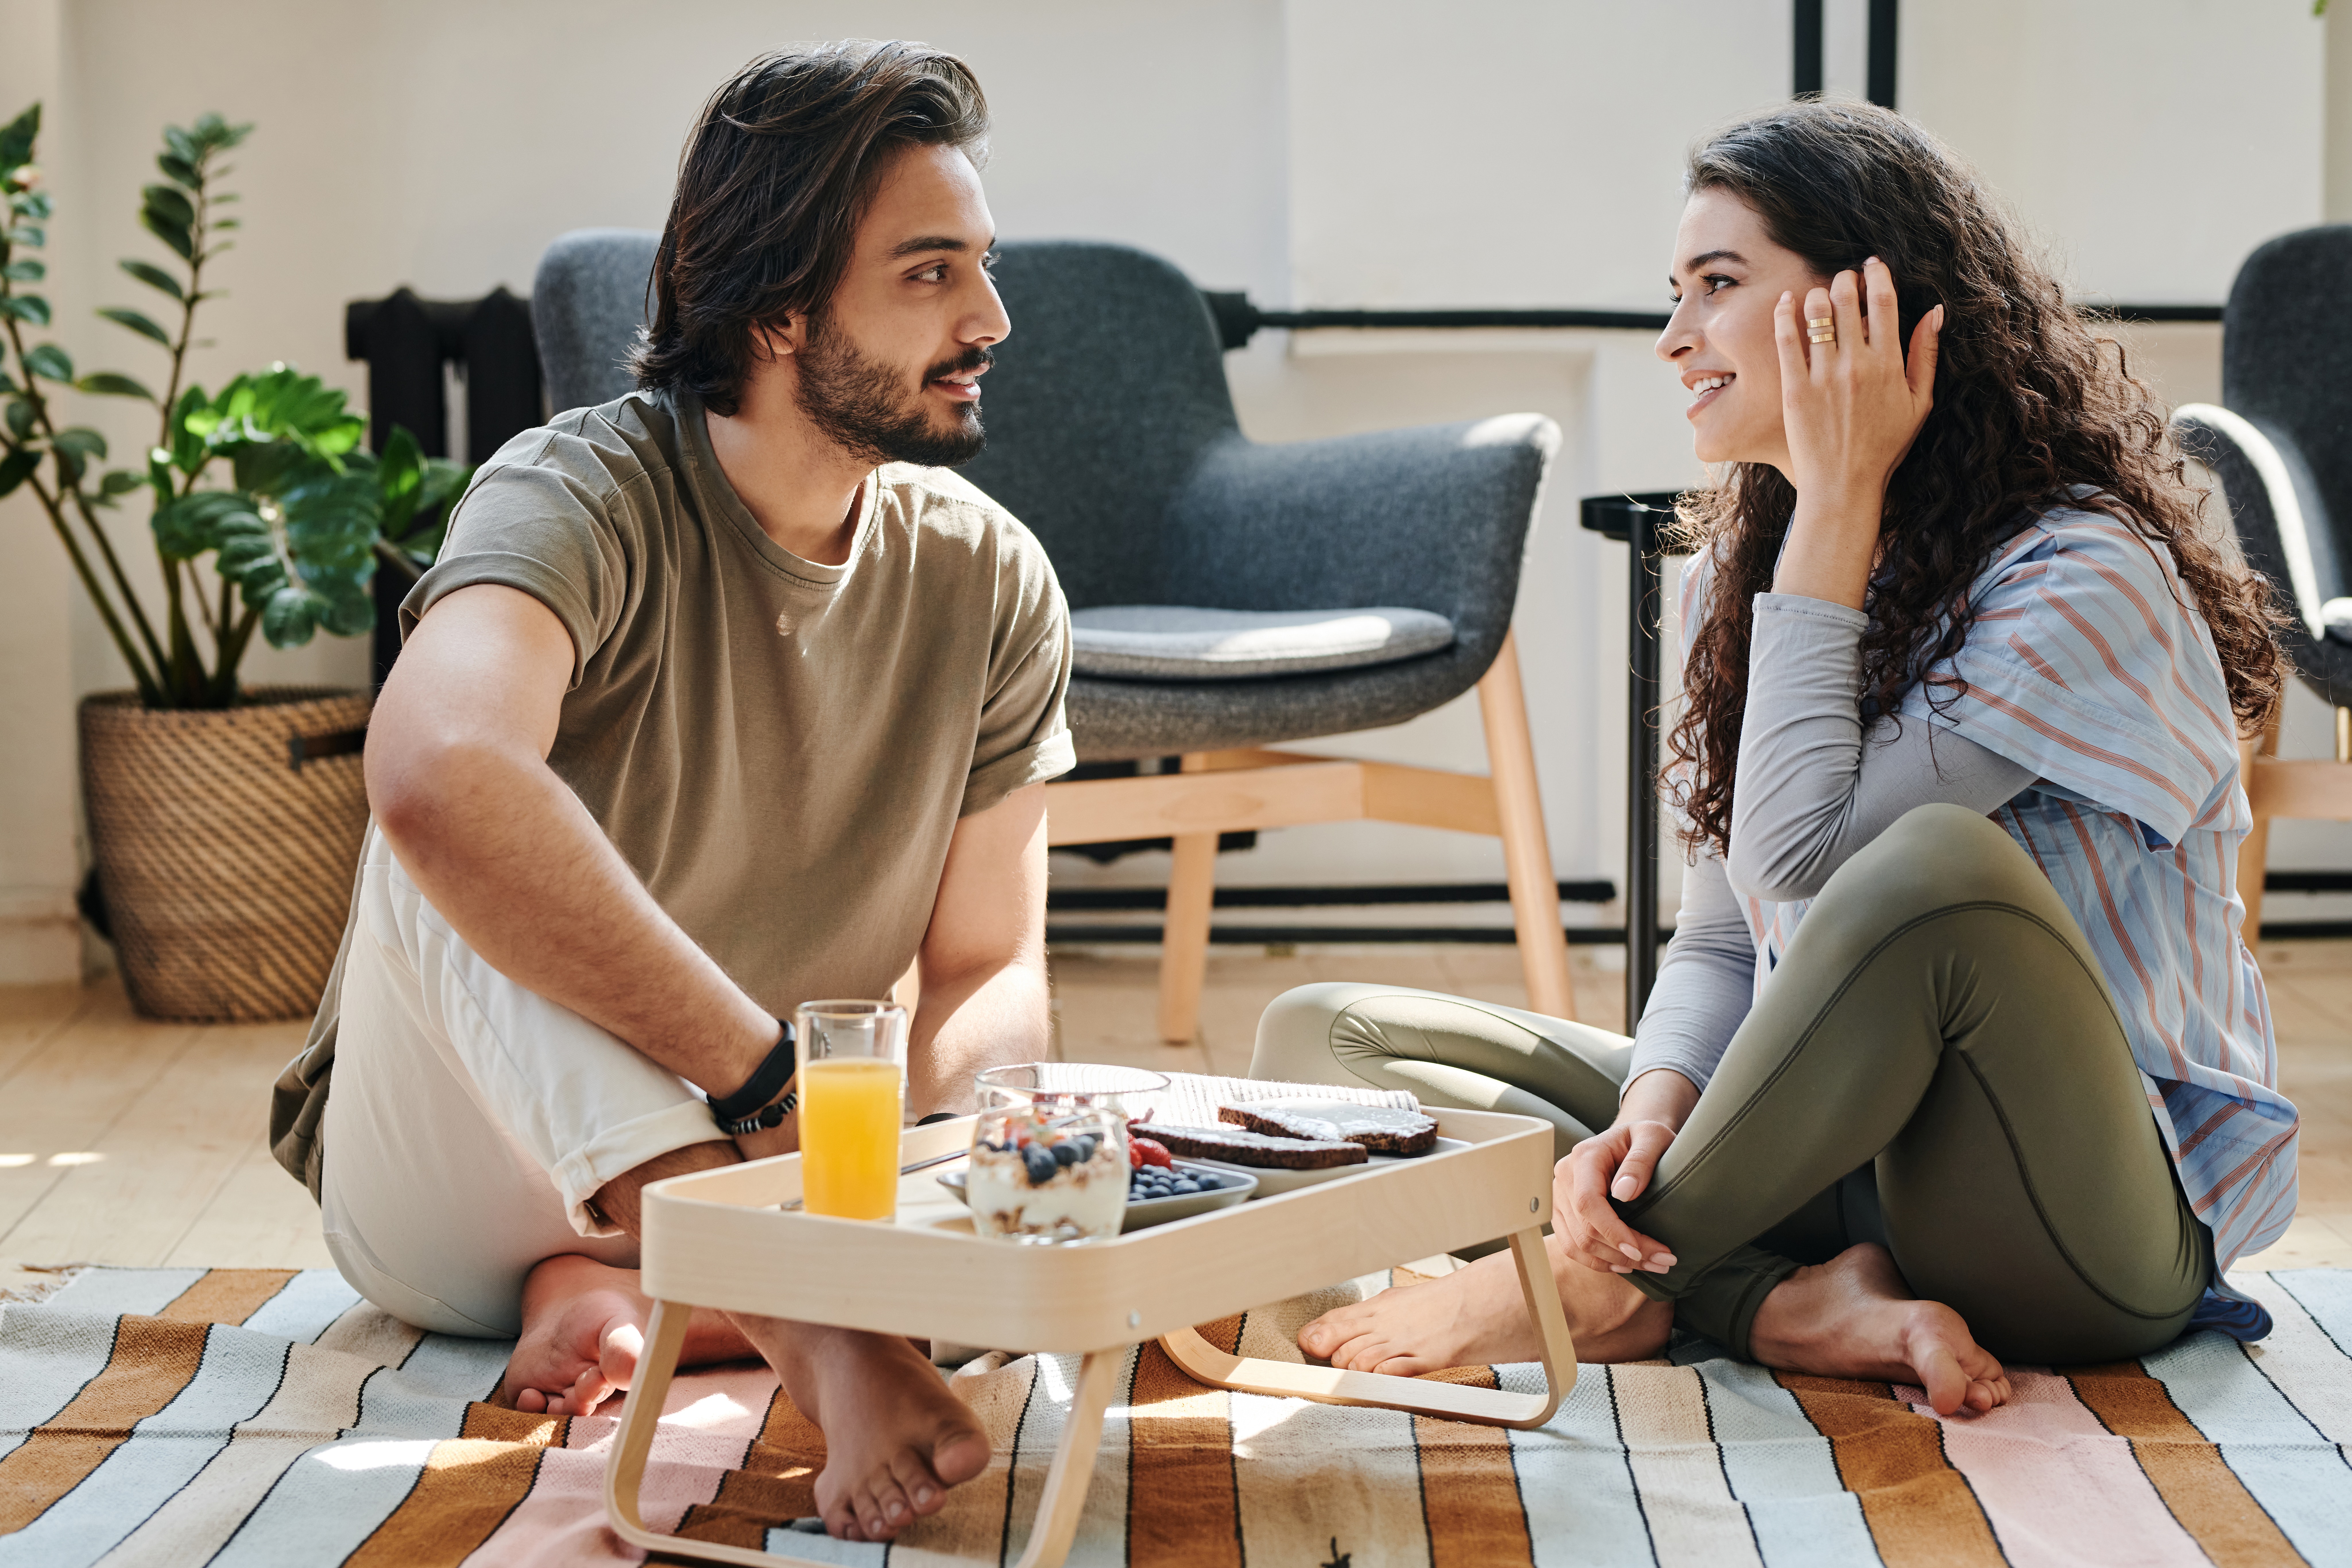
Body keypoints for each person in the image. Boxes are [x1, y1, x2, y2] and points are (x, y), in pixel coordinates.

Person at [1259, 100, 2298, 1414]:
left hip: (2074, 1231)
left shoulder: (2078, 577)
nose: (1673, 337)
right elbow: (1719, 936)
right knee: (1327, 1042)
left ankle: (1613, 1281)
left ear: (1860, 309)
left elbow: (1811, 861)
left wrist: (1838, 495)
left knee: (1931, 871)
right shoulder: (1742, 572)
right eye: (1673, 291)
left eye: (1716, 285)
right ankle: (1769, 1298)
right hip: (1830, 1175)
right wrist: (1654, 1100)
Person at [267, 41, 1071, 1542]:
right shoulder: (575, 492)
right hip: (453, 1179)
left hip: (764, 1179)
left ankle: (653, 1285)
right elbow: (435, 773)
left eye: (984, 265)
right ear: (779, 311)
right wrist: (765, 1097)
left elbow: (986, 964)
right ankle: (807, 1336)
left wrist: (954, 1192)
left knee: (995, 1212)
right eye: (929, 274)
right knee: (438, 830)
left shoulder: (991, 578)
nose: (990, 319)